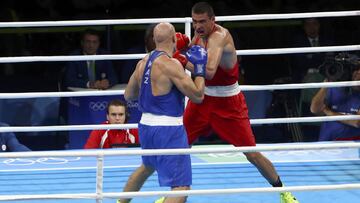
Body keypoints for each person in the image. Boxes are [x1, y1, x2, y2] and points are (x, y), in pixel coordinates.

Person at [182, 2, 298, 203]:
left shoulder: (219, 36)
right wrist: (183, 49)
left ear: (213, 20)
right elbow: (194, 54)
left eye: (202, 21)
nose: (198, 26)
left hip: (228, 103)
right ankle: (174, 196)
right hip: (203, 100)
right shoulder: (199, 34)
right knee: (178, 146)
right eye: (194, 22)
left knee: (251, 154)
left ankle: (283, 192)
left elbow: (208, 72)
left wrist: (179, 58)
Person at [118, 22, 207, 203]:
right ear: (174, 39)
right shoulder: (171, 65)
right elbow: (198, 96)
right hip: (168, 130)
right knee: (181, 188)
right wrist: (200, 69)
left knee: (147, 166)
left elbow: (128, 95)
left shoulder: (142, 62)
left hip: (146, 127)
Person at [310, 61, 360, 141]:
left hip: (352, 146)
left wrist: (329, 112)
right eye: (356, 72)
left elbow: (357, 122)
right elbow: (314, 109)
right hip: (327, 142)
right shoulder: (333, 88)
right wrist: (326, 84)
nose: (358, 76)